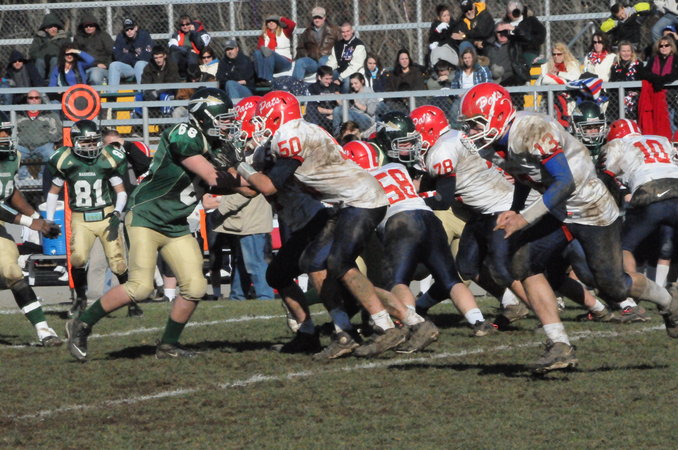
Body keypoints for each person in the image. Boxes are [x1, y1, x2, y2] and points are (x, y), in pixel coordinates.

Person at [459, 82, 678, 372]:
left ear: (498, 115)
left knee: (613, 287)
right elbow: (526, 177)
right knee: (522, 263)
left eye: (476, 123)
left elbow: (565, 182)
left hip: (590, 207)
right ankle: (559, 344)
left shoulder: (532, 130)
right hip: (559, 209)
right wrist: (515, 209)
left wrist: (525, 218)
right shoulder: (497, 144)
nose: (471, 131)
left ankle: (668, 301)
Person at [230, 91, 433, 359]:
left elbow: (266, 185)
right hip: (346, 202)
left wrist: (237, 165)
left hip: (356, 200)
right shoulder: (293, 134)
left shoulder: (289, 135)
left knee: (339, 264)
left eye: (259, 120)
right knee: (316, 263)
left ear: (276, 116)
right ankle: (395, 325)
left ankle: (383, 327)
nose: (256, 127)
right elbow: (253, 184)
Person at [65, 88, 244, 361]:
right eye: (223, 119)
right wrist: (249, 176)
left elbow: (237, 185)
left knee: (195, 286)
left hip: (175, 222)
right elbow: (214, 178)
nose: (227, 126)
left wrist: (263, 183)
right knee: (140, 287)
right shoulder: (184, 134)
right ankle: (82, 323)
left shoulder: (214, 143)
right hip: (147, 217)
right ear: (205, 116)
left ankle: (168, 345)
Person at [45, 119, 139, 319]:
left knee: (118, 263)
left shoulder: (106, 158)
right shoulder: (65, 160)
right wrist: (50, 220)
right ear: (75, 141)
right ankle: (80, 300)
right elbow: (53, 192)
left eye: (94, 141)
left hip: (106, 215)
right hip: (80, 218)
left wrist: (117, 212)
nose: (90, 146)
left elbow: (121, 192)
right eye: (85, 142)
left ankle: (131, 302)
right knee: (78, 259)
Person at [598, 120, 678, 322]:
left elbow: (608, 179)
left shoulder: (617, 146)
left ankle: (630, 295)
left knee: (623, 247)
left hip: (651, 191)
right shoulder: (661, 139)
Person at [0, 111, 63, 346]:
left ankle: (44, 330)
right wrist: (31, 223)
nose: (5, 136)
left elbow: (9, 190)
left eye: (7, 131)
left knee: (13, 272)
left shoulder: (12, 156)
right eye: (0, 131)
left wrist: (37, 217)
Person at [15, 89, 62, 182]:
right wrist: (19, 140)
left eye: (37, 98)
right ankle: (24, 178)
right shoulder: (19, 115)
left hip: (43, 145)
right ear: (27, 99)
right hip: (23, 146)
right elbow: (13, 131)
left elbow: (58, 131)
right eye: (31, 98)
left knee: (51, 154)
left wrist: (48, 139)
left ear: (41, 99)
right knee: (12, 156)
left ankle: (43, 177)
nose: (34, 100)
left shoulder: (49, 114)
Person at [638, 36, 678, 138]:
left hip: (671, 96)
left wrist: (662, 80)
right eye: (661, 46)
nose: (664, 48)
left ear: (671, 47)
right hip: (656, 94)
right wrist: (656, 79)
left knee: (672, 123)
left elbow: (675, 74)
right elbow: (645, 73)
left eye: (666, 45)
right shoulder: (653, 59)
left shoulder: (676, 59)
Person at [293, 6, 340, 81]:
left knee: (322, 61)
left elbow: (341, 45)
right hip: (313, 61)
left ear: (324, 18)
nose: (317, 20)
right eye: (315, 18)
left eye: (319, 17)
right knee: (300, 62)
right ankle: (295, 85)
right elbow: (301, 48)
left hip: (328, 59)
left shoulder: (334, 30)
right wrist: (307, 55)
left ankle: (323, 84)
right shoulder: (307, 32)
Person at [109, 18, 154, 87]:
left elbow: (147, 56)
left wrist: (129, 56)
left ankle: (142, 92)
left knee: (139, 64)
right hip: (129, 67)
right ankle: (112, 93)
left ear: (136, 28)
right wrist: (135, 56)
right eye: (127, 30)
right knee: (114, 65)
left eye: (131, 28)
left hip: (144, 67)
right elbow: (118, 57)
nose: (129, 31)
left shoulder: (144, 35)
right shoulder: (120, 37)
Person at [253, 15, 296, 85]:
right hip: (268, 62)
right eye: (269, 22)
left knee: (270, 52)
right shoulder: (263, 36)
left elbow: (292, 24)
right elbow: (259, 53)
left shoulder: (285, 31)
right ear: (266, 24)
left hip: (284, 61)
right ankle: (260, 79)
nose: (271, 23)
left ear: (277, 23)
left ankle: (269, 80)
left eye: (273, 21)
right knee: (257, 52)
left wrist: (280, 18)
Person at [73, 13, 114, 86]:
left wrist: (107, 65)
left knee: (95, 75)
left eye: (91, 25)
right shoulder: (78, 38)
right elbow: (76, 55)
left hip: (101, 68)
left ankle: (96, 93)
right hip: (84, 67)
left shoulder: (104, 36)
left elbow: (112, 52)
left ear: (95, 26)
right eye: (86, 26)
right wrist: (95, 64)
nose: (88, 28)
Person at [500, 1, 546, 66]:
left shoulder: (531, 21)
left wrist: (527, 40)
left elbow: (540, 36)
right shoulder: (505, 23)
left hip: (528, 52)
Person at [326, 21, 367, 93]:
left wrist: (340, 78)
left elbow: (355, 66)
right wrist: (325, 71)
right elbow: (333, 61)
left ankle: (344, 99)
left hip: (352, 73)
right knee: (326, 77)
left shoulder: (358, 45)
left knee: (347, 81)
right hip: (339, 71)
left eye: (348, 31)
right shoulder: (338, 44)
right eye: (343, 32)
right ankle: (329, 97)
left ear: (352, 31)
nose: (345, 34)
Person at [28, 13, 70, 81]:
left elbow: (68, 51)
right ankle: (39, 83)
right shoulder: (39, 38)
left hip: (59, 62)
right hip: (42, 62)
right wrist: (42, 56)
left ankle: (52, 81)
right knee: (39, 61)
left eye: (55, 27)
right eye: (50, 27)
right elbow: (32, 52)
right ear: (46, 29)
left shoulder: (63, 37)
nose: (53, 29)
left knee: (54, 60)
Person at [168, 14, 211, 79]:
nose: (185, 27)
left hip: (197, 56)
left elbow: (200, 46)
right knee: (174, 54)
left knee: (191, 55)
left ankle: (193, 78)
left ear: (191, 24)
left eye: (187, 24)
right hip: (182, 55)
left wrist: (193, 33)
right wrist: (187, 50)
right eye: (182, 25)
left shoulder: (200, 32)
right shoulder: (177, 34)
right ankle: (178, 77)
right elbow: (172, 46)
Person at [140, 45, 181, 110]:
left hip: (169, 91)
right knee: (139, 96)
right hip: (153, 92)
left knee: (163, 96)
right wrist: (148, 92)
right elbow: (145, 82)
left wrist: (157, 92)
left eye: (160, 57)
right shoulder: (148, 67)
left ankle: (166, 114)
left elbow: (170, 84)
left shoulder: (172, 66)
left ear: (165, 56)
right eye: (156, 58)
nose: (158, 60)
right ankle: (138, 114)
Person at [610, 40, 642, 118]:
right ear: (619, 52)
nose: (626, 53)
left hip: (635, 100)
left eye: (628, 51)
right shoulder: (615, 66)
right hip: (618, 100)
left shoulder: (638, 64)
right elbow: (613, 82)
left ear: (632, 52)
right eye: (623, 51)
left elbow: (641, 81)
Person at [304, 65, 340, 133]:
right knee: (310, 107)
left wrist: (338, 97)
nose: (329, 81)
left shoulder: (334, 86)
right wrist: (332, 112)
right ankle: (315, 131)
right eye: (326, 79)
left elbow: (342, 104)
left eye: (330, 79)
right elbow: (314, 108)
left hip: (334, 116)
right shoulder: (313, 88)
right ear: (319, 77)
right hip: (320, 116)